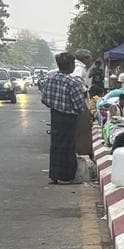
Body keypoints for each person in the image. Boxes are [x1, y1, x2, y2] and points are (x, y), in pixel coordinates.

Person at [42, 52, 88, 185]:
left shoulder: (50, 78)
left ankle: (55, 175)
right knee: (68, 146)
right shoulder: (72, 83)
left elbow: (44, 99)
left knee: (56, 145)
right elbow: (79, 105)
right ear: (70, 65)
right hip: (69, 118)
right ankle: (67, 176)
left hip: (55, 115)